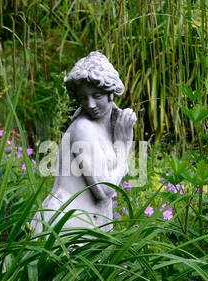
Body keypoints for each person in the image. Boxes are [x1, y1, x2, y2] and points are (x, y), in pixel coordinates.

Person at [29, 51, 137, 236]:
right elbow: (103, 190)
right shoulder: (83, 129)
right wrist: (124, 146)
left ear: (110, 93)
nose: (91, 104)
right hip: (66, 226)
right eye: (84, 97)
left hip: (84, 224)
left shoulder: (114, 125)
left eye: (97, 95)